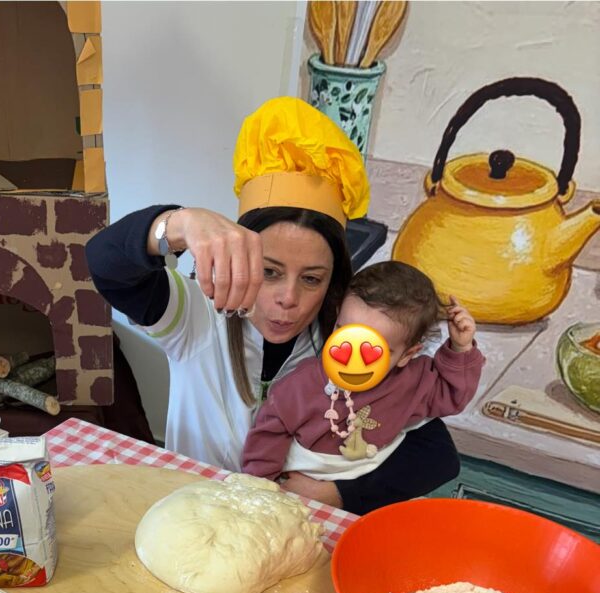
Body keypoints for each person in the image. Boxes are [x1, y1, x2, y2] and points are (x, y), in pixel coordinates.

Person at [85, 96, 462, 513]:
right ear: (240, 256)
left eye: (312, 279)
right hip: (196, 513)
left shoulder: (347, 344)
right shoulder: (195, 315)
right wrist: (179, 223)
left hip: (292, 524)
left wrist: (339, 494)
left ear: (333, 282)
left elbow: (436, 455)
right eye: (269, 272)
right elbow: (104, 263)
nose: (288, 299)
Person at [241, 261, 484, 489]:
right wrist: (260, 488)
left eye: (372, 352)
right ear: (336, 321)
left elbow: (452, 396)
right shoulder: (300, 385)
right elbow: (266, 440)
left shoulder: (413, 382)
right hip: (299, 479)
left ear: (406, 355)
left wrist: (460, 349)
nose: (352, 360)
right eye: (345, 335)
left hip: (365, 486)